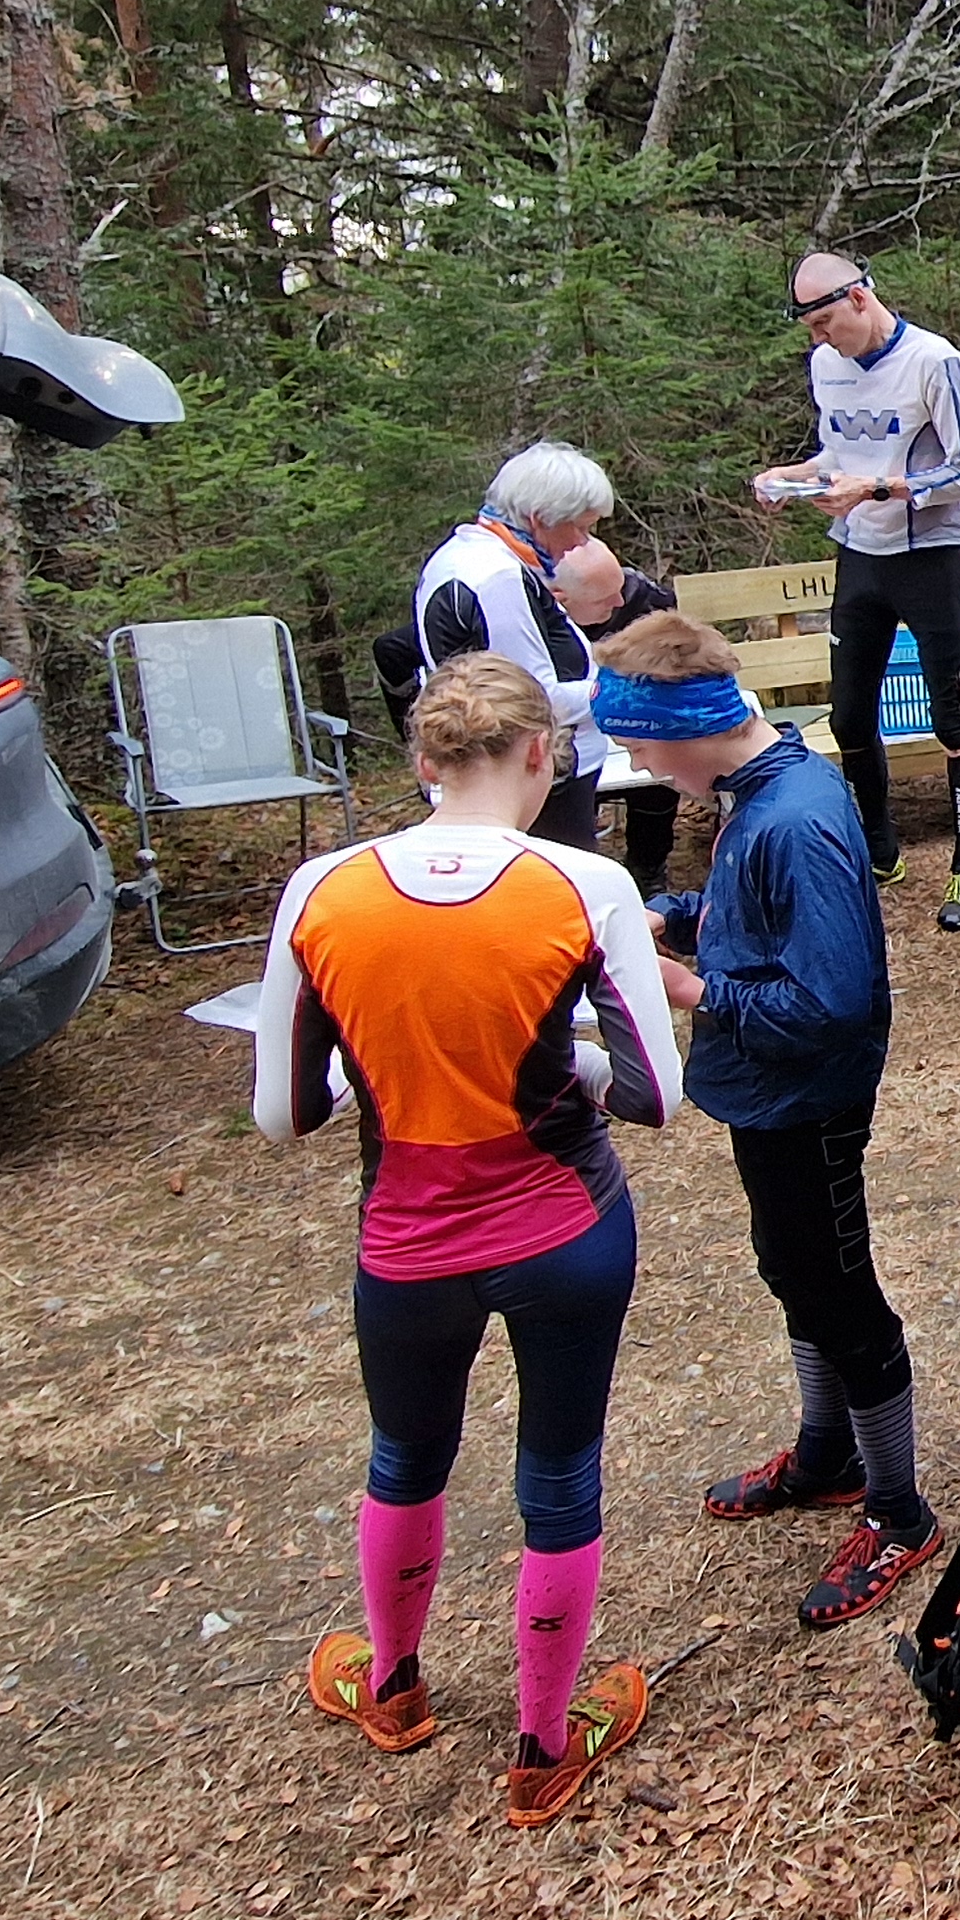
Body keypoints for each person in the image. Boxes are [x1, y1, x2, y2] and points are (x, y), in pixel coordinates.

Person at [254, 655, 680, 1826]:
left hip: (407, 1239)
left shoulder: (321, 890)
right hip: (565, 1230)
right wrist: (569, 1065)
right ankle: (543, 1745)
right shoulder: (584, 884)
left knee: (406, 1455)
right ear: (543, 755)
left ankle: (391, 1687)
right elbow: (654, 1096)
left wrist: (382, 1072)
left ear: (422, 763)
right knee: (559, 1471)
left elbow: (286, 1113)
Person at [594, 616, 939, 1626]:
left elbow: (829, 1001)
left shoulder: (792, 815)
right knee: (792, 1269)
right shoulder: (758, 788)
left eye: (641, 749)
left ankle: (898, 1507)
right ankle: (828, 1455)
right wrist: (685, 912)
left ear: (684, 730)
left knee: (838, 1290)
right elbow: (765, 909)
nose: (638, 768)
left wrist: (691, 990)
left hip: (809, 1101)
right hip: (764, 1094)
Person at [750, 251, 960, 928]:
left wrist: (878, 488)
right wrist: (792, 477)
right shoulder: (826, 366)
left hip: (929, 555)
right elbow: (838, 455)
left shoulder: (934, 362)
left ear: (860, 299)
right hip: (858, 555)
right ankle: (878, 852)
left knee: (953, 717)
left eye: (827, 322)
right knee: (852, 714)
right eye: (810, 328)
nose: (820, 339)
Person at [415, 442, 616, 854]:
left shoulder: (463, 555)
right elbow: (533, 701)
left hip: (518, 771)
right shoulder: (498, 578)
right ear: (539, 518)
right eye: (579, 527)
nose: (581, 543)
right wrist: (621, 693)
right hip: (533, 779)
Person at [553, 536, 686, 891]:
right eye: (604, 597)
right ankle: (575, 882)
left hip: (632, 725)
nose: (619, 600)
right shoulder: (531, 622)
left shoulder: (642, 598)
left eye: (619, 588)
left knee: (659, 778)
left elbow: (679, 655)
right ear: (558, 597)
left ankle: (647, 870)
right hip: (565, 742)